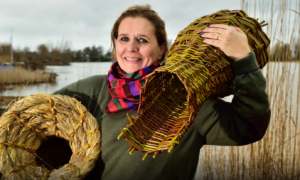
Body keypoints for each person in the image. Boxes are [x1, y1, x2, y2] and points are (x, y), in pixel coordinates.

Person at [54, 4, 270, 180]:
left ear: (162, 49)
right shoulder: (91, 90)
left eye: (142, 40)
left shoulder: (188, 100)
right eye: (123, 38)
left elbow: (249, 127)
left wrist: (243, 60)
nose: (131, 47)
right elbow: (33, 116)